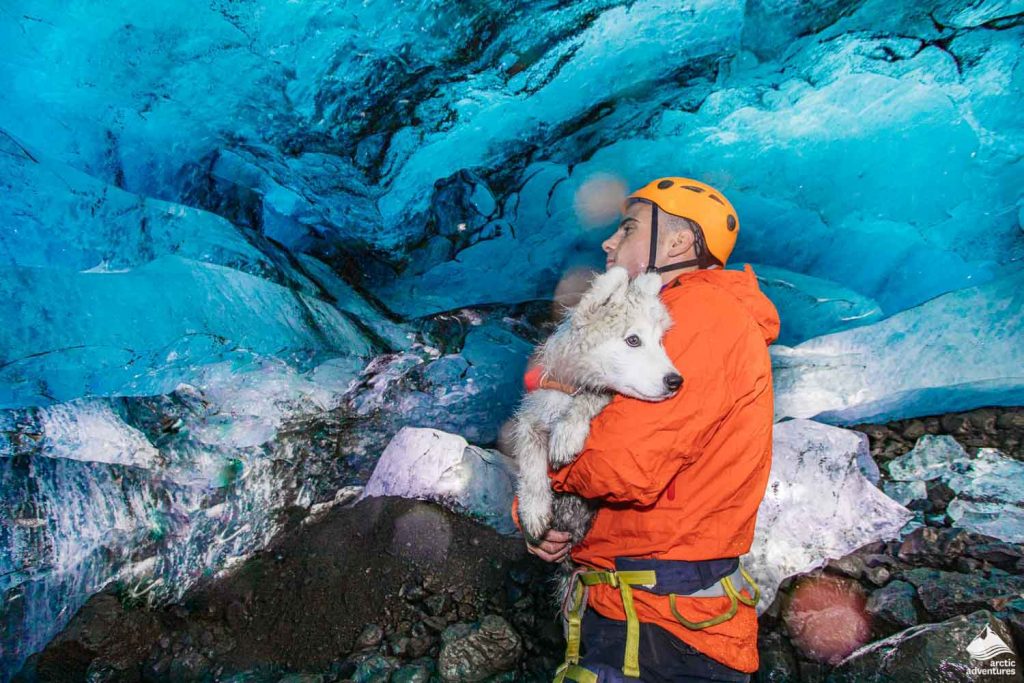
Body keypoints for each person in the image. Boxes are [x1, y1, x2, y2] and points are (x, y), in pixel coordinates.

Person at [509, 176, 781, 682]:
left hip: (661, 629)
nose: (609, 242)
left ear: (677, 244)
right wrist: (539, 509)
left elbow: (622, 464)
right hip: (634, 610)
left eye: (629, 228)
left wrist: (545, 482)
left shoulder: (701, 314)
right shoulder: (668, 314)